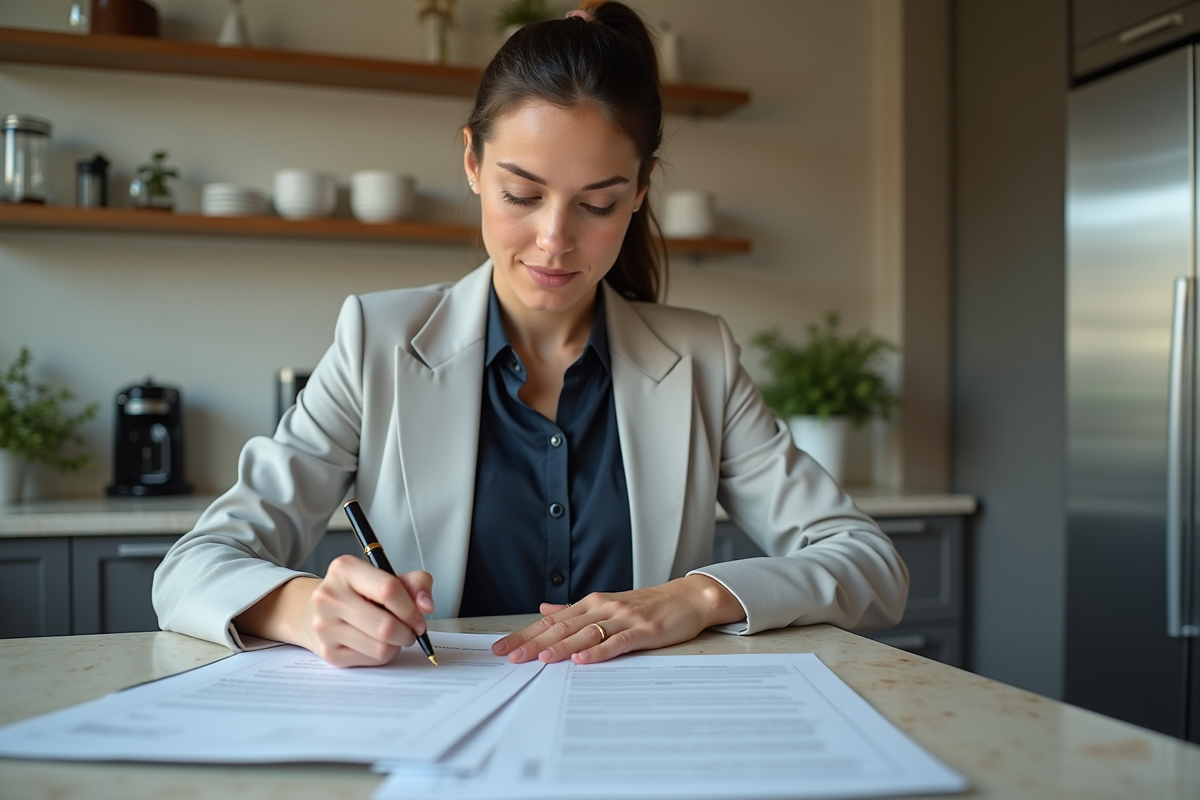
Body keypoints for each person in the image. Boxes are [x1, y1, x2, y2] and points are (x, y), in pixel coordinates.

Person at [153, 1, 908, 669]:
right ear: (473, 164)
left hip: (644, 744)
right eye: (522, 193)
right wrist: (303, 608)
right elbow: (191, 568)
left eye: (599, 205)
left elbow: (871, 564)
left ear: (640, 192)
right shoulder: (377, 341)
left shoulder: (701, 358)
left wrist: (698, 596)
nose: (554, 240)